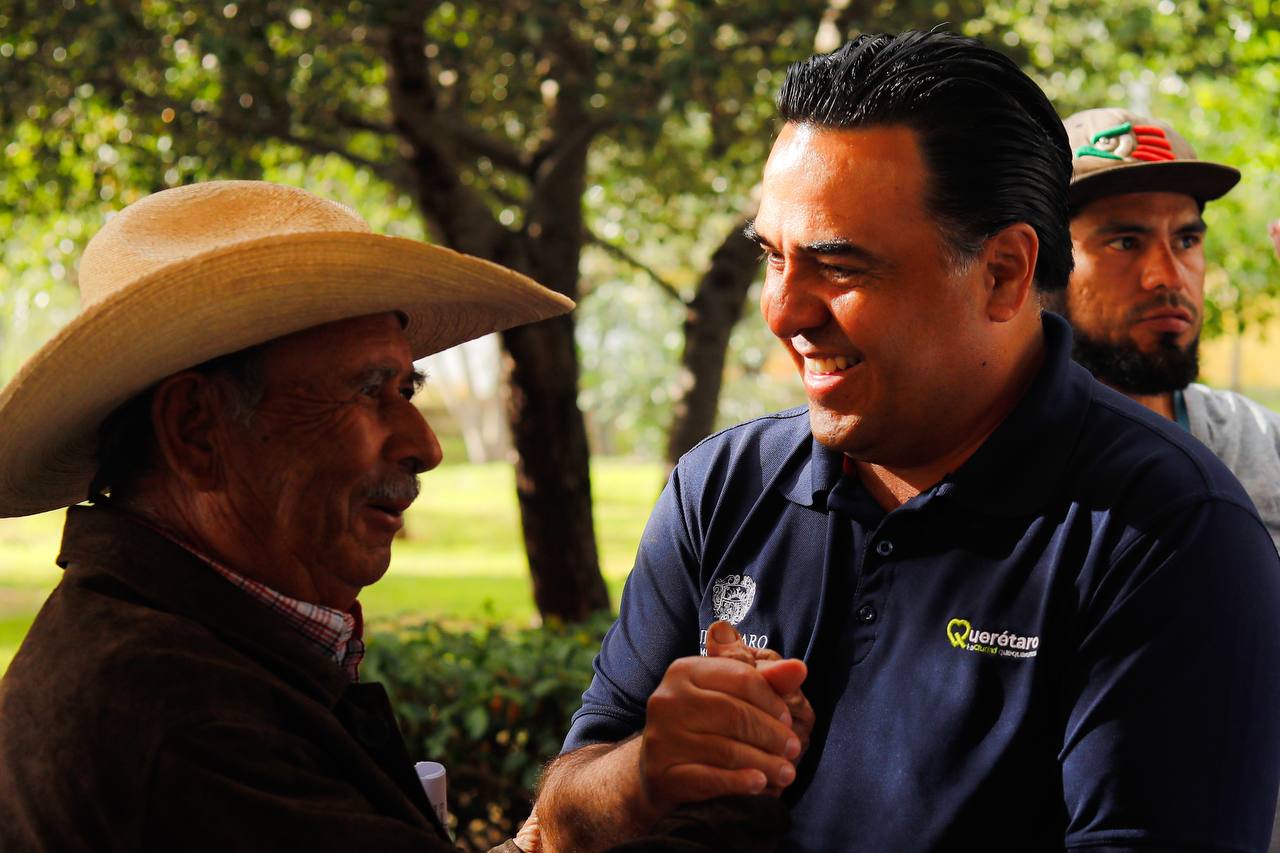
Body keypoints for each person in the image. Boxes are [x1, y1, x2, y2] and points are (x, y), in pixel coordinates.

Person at [536, 31, 1280, 853]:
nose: (783, 312)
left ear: (1002, 273)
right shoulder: (723, 486)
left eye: (839, 266)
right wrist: (646, 773)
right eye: (773, 257)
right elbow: (561, 815)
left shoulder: (1171, 532)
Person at [0, 181, 790, 852]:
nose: (423, 444)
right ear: (196, 430)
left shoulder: (179, 649)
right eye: (368, 390)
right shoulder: (184, 723)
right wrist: (734, 784)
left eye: (406, 390)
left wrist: (642, 783)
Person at [1045, 107, 1280, 551]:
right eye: (1125, 243)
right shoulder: (988, 454)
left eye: (1186, 241)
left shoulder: (1259, 444)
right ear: (1042, 264)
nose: (1168, 276)